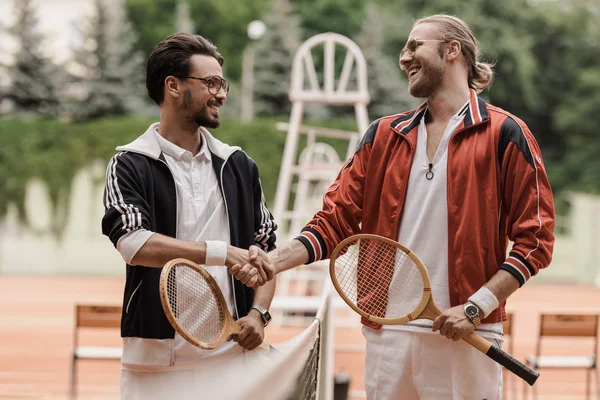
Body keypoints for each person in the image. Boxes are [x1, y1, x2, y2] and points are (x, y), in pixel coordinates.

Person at [242, 14, 555, 399]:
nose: (403, 57)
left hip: (468, 331)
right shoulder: (382, 135)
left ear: (452, 50)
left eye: (414, 45)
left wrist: (475, 307)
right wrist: (273, 262)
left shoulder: (506, 133)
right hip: (388, 333)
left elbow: (536, 240)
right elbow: (333, 221)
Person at [101, 33, 277, 399]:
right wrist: (220, 252)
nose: (222, 94)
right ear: (173, 86)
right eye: (211, 83)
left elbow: (264, 253)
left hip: (232, 358)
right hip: (155, 362)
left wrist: (259, 314)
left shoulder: (239, 165)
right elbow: (134, 243)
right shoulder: (130, 163)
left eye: (222, 83)